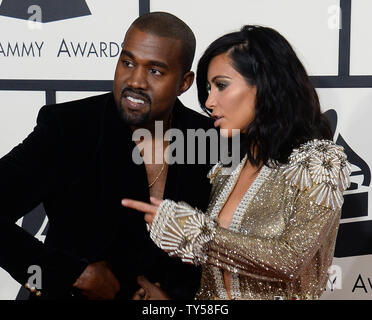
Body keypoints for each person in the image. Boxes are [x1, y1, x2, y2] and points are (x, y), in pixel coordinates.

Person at [122, 25, 352, 300]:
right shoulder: (226, 168)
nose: (208, 101)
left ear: (265, 84)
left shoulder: (320, 162)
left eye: (221, 85)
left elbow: (291, 260)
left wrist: (200, 235)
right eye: (208, 88)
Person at [0, 12, 216, 299]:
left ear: (184, 82)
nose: (136, 81)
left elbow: (228, 249)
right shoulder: (69, 127)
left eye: (155, 71)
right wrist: (71, 275)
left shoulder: (212, 140)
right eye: (127, 62)